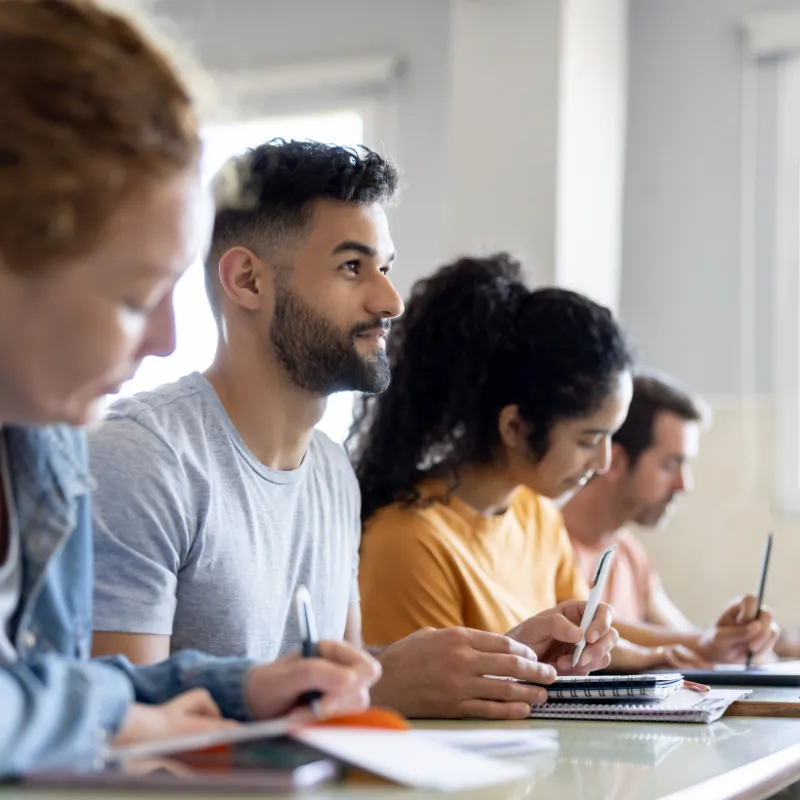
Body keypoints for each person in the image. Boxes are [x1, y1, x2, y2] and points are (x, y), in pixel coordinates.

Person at [89, 141, 618, 721]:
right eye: (351, 267)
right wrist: (373, 688)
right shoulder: (142, 457)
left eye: (385, 267)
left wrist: (496, 660)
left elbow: (347, 666)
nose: (390, 301)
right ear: (248, 281)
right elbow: (120, 717)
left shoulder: (330, 468)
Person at [0, 0, 379, 777]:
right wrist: (104, 718)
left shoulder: (46, 450)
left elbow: (47, 689)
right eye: (135, 297)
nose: (166, 340)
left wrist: (239, 688)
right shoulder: (132, 451)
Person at [352, 254, 670, 671]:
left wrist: (680, 654)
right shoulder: (409, 542)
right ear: (516, 428)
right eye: (589, 439)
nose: (604, 460)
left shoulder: (536, 515)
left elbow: (584, 649)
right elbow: (430, 710)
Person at [562, 369, 779, 665]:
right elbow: (584, 629)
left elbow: (683, 637)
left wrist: (733, 639)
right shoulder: (546, 544)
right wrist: (705, 642)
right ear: (615, 460)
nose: (684, 484)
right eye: (671, 464)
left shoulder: (627, 553)